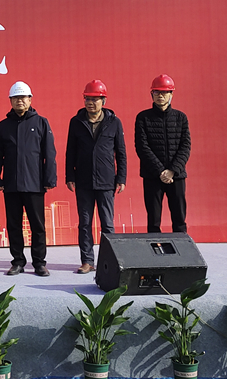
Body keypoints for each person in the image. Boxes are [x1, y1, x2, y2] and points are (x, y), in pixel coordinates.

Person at [0, 81, 56, 277]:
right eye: (16, 98)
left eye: (23, 97)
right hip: (11, 185)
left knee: (38, 226)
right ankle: (17, 261)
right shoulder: (4, 125)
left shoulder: (41, 122)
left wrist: (49, 179)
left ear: (30, 99)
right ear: (10, 100)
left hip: (35, 184)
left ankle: (39, 263)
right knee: (14, 226)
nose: (20, 101)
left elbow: (49, 153)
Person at [65, 80, 127, 274]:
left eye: (95, 99)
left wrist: (121, 178)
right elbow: (70, 151)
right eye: (87, 99)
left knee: (107, 224)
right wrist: (69, 176)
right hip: (83, 181)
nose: (90, 103)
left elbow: (121, 152)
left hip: (106, 181)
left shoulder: (114, 122)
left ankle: (109, 262)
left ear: (103, 101)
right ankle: (87, 261)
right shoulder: (76, 122)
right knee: (85, 223)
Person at [134, 74, 191, 233]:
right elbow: (142, 147)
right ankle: (155, 248)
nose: (160, 95)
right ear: (151, 94)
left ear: (171, 94)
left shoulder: (181, 118)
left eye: (165, 92)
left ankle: (181, 248)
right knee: (153, 219)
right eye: (157, 92)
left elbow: (185, 146)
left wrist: (172, 170)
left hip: (176, 176)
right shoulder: (143, 118)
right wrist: (160, 171)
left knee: (179, 218)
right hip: (152, 176)